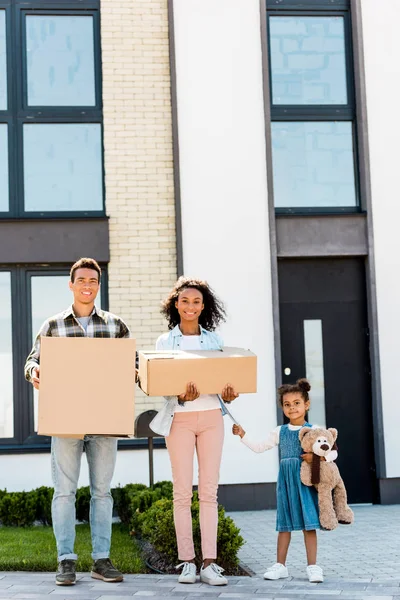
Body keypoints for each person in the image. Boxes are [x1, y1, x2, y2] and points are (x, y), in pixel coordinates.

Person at [24, 258, 130, 587]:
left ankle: (101, 560)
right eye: (81, 280)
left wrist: (137, 371)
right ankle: (66, 560)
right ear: (71, 285)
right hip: (66, 419)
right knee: (64, 493)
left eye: (93, 281)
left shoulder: (116, 326)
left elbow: (134, 363)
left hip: (104, 419)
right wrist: (34, 372)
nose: (87, 285)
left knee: (102, 493)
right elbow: (32, 360)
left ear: (99, 286)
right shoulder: (53, 325)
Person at [149, 277, 238, 586]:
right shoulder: (164, 342)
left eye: (196, 302)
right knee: (182, 492)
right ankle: (187, 561)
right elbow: (160, 386)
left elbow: (223, 380)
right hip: (180, 421)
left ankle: (209, 564)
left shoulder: (214, 342)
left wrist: (228, 393)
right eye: (185, 301)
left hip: (212, 417)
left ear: (204, 306)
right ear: (176, 304)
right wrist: (178, 396)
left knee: (210, 490)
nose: (190, 306)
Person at [232, 378, 338, 584]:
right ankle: (280, 566)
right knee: (284, 525)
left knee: (309, 524)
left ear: (306, 404)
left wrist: (316, 457)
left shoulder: (315, 430)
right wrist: (243, 435)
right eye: (287, 404)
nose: (292, 408)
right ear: (282, 407)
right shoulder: (279, 431)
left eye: (297, 403)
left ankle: (313, 567)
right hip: (286, 483)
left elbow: (332, 454)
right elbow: (259, 447)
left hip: (306, 482)